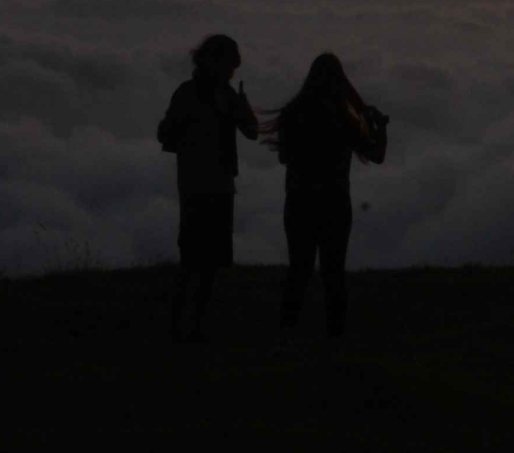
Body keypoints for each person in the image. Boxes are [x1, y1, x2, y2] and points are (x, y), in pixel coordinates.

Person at [260, 52, 388, 342]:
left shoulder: (293, 113)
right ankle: (335, 338)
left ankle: (287, 333)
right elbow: (377, 155)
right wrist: (380, 127)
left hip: (299, 201)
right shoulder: (344, 118)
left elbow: (283, 157)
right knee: (333, 274)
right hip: (334, 202)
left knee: (299, 270)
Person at [157, 33, 259, 342]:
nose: (231, 73)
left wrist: (243, 108)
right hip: (199, 186)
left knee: (209, 262)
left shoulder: (221, 95)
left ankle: (193, 324)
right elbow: (167, 135)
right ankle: (180, 325)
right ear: (214, 62)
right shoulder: (191, 95)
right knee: (192, 261)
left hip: (215, 185)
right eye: (229, 66)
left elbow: (251, 131)